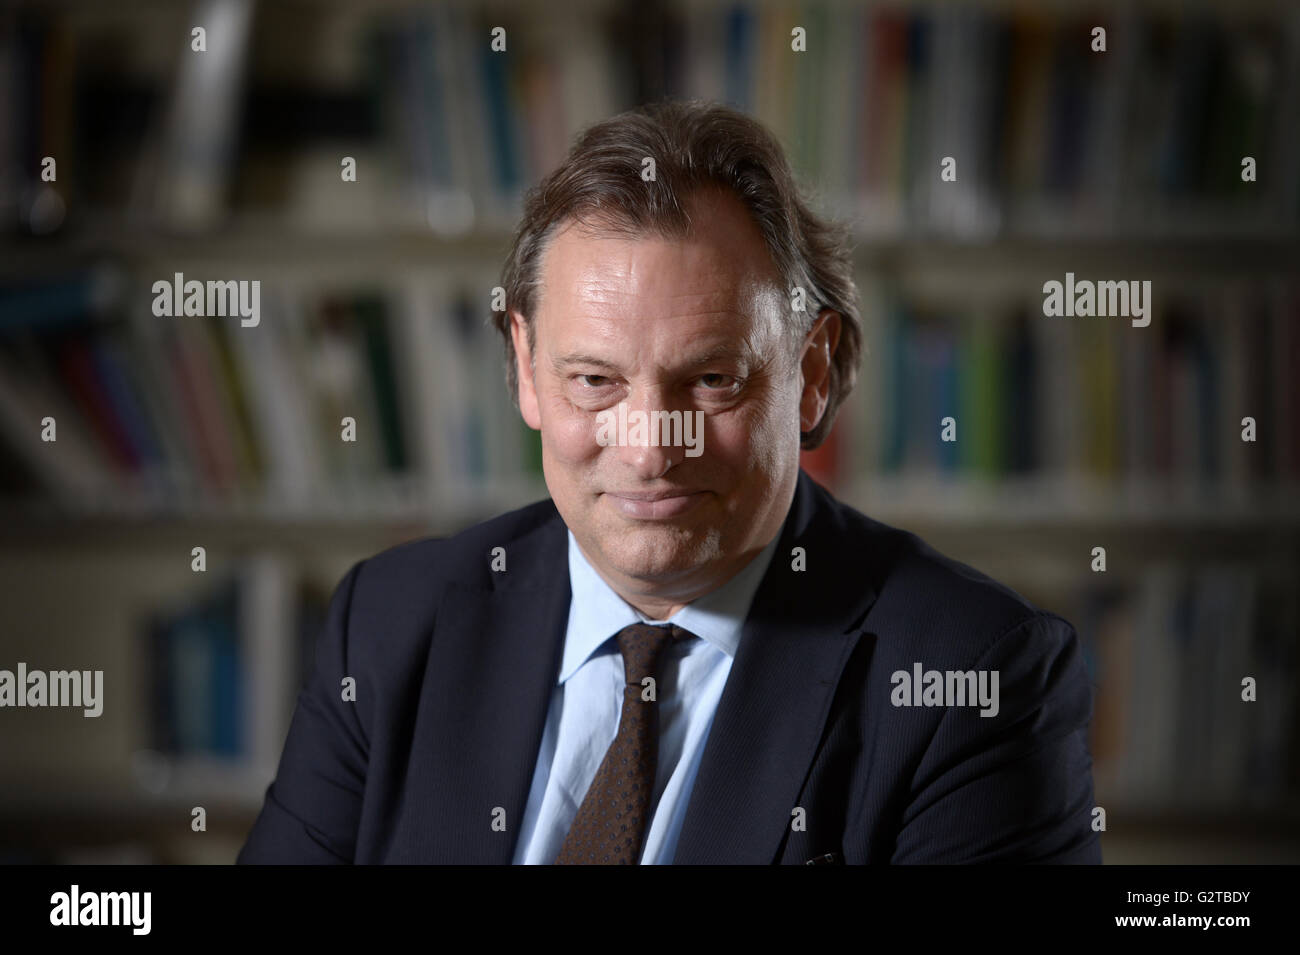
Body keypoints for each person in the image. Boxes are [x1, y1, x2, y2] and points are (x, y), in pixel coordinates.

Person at [238, 100, 1101, 865]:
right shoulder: (388, 626)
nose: (650, 449)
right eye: (594, 381)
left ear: (813, 370)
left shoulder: (971, 677)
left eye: (712, 380)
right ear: (525, 368)